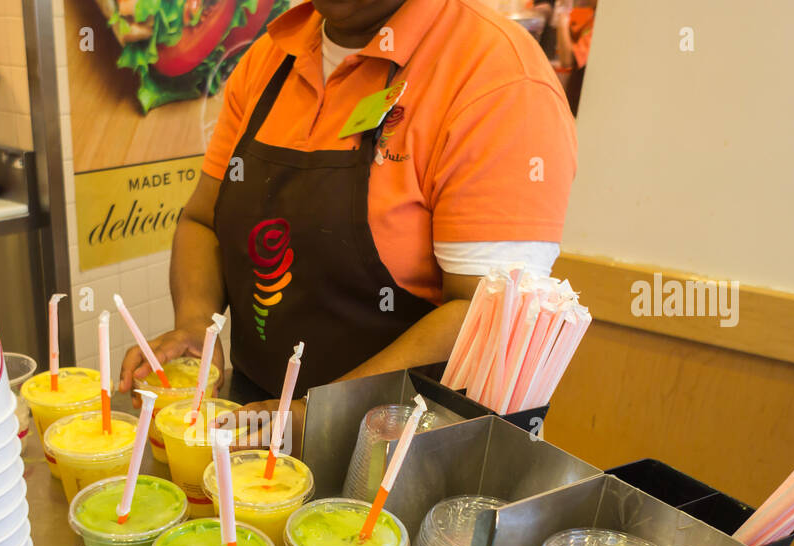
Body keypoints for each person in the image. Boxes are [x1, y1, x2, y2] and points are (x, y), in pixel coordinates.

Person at [119, 0, 576, 450]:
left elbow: (486, 313)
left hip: (404, 455)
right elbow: (204, 221)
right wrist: (198, 325)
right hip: (254, 418)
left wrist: (315, 415)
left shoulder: (497, 77)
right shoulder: (271, 55)